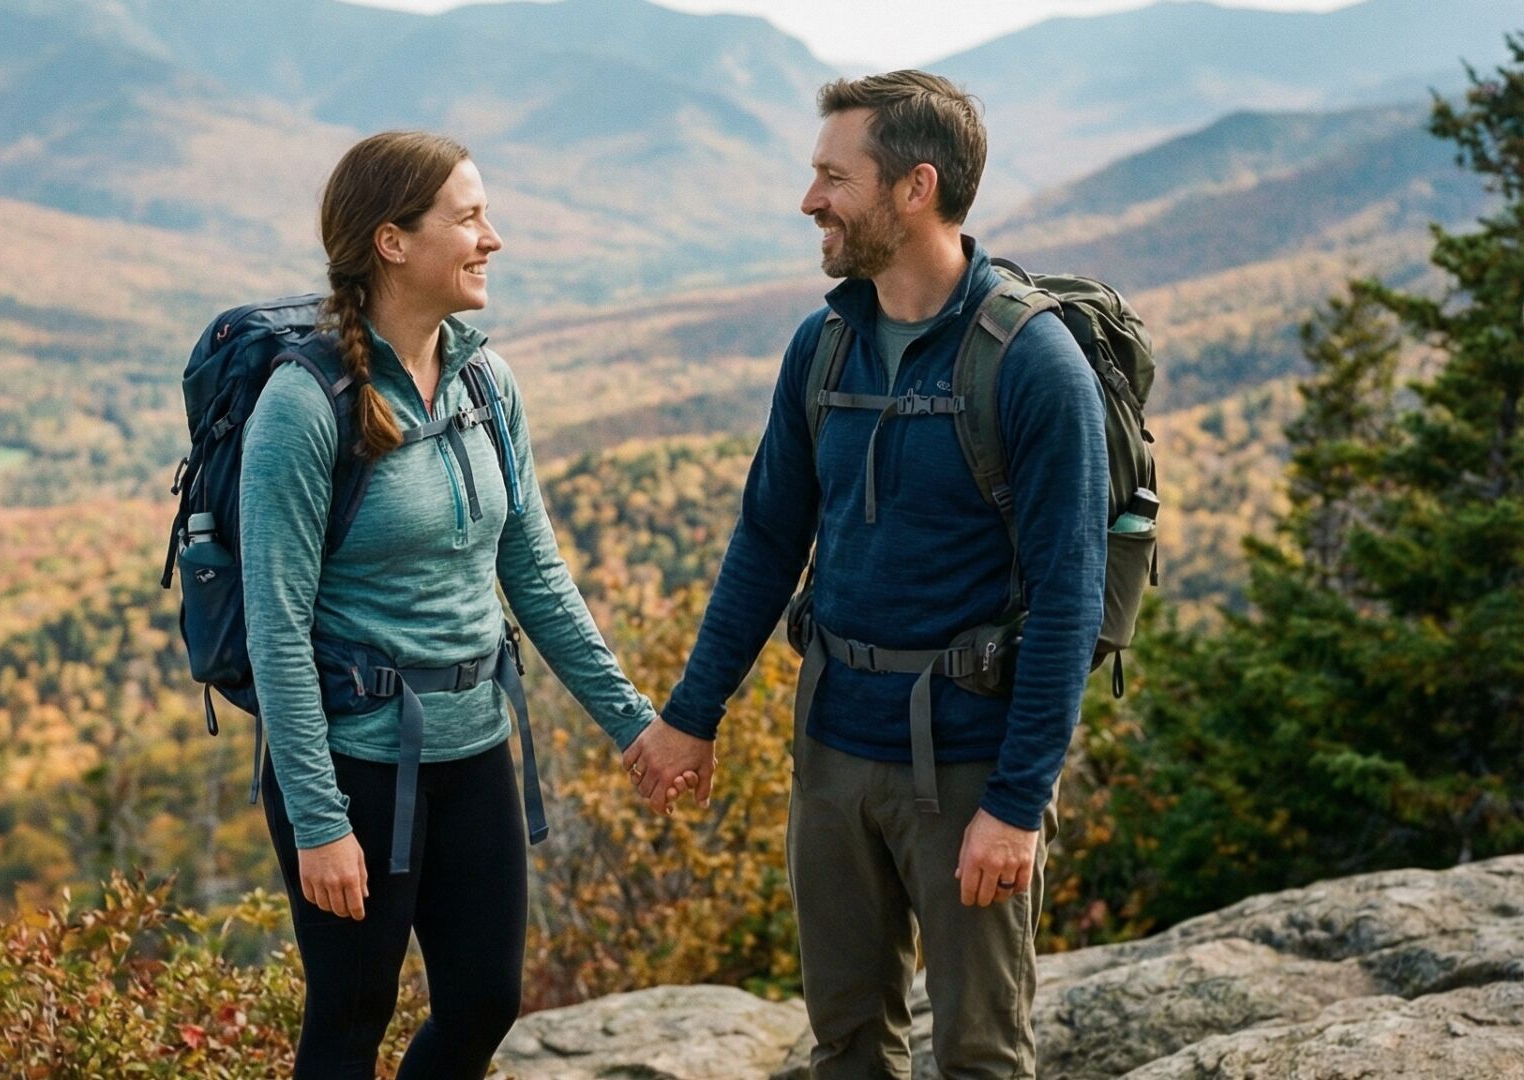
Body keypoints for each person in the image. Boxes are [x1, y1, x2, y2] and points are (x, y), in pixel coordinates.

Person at [625, 72, 1108, 1078]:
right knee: (847, 1044)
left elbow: (1070, 599)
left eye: (832, 177)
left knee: (978, 1055)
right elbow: (766, 541)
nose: (811, 202)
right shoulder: (823, 346)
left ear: (913, 188)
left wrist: (1018, 804)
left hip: (970, 765)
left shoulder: (1032, 364)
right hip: (832, 750)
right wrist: (691, 713)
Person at [240, 130, 691, 1080]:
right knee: (350, 1020)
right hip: (355, 762)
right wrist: (320, 822)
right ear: (393, 242)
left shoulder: (487, 381)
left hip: (476, 741)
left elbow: (535, 573)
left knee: (486, 1002)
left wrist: (633, 724)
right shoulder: (307, 402)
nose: (493, 238)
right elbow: (275, 629)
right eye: (471, 216)